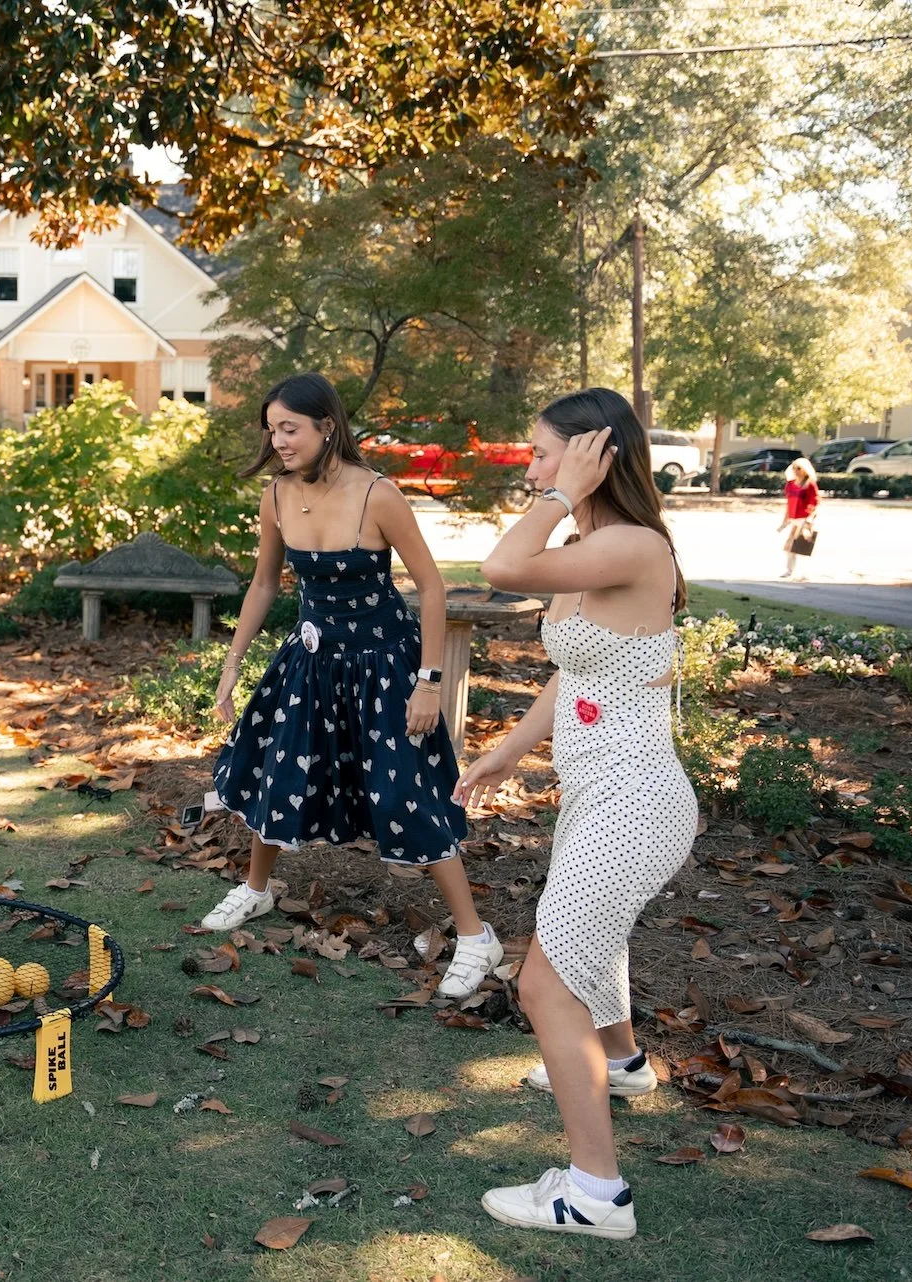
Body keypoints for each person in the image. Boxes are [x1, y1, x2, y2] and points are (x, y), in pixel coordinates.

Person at [456, 387, 696, 1240]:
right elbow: (574, 674)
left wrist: (558, 496)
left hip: (637, 800)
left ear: (595, 456)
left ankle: (596, 1194)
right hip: (600, 794)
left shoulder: (630, 545)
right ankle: (623, 1063)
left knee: (544, 982)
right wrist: (506, 751)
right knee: (592, 938)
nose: (530, 469)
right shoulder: (592, 547)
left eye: (542, 454)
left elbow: (499, 570)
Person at [204, 373, 495, 999]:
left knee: (403, 797)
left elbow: (433, 587)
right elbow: (263, 586)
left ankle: (475, 937)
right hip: (311, 664)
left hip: (385, 668)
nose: (278, 441)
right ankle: (256, 890)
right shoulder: (277, 495)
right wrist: (232, 665)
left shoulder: (377, 496)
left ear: (326, 426)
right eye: (272, 429)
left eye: (290, 428)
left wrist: (428, 682)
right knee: (276, 777)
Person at [779, 457, 818, 580]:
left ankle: (804, 572)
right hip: (794, 518)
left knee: (801, 545)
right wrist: (785, 520)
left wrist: (810, 518)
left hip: (804, 518)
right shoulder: (790, 485)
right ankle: (789, 569)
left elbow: (814, 502)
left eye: (799, 468)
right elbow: (789, 503)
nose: (796, 470)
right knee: (790, 546)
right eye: (794, 468)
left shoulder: (809, 484)